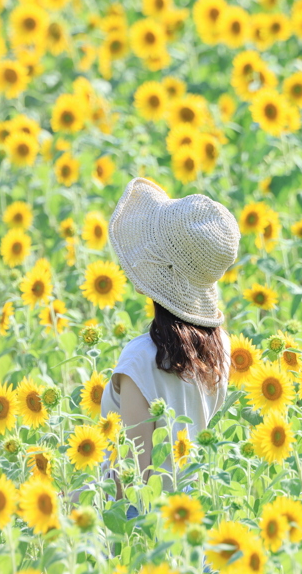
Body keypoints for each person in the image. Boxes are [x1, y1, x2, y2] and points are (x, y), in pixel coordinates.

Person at [100, 177, 240, 501]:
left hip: (140, 536)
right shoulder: (220, 348)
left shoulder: (141, 360)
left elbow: (137, 480)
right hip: (188, 518)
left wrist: (70, 502)